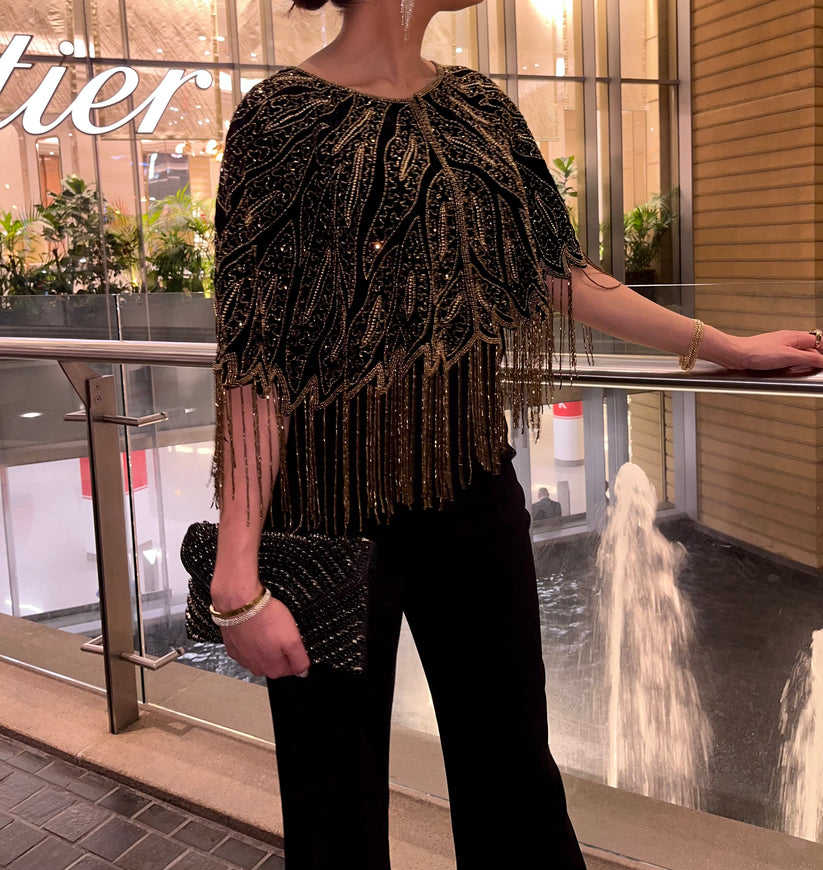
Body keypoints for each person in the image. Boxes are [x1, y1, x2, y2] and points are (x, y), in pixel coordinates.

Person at [203, 0, 823, 867]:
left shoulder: (478, 106)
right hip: (327, 502)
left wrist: (726, 347)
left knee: (514, 775)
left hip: (469, 484)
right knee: (330, 797)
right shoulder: (279, 116)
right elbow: (254, 354)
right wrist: (235, 576)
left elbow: (556, 271)